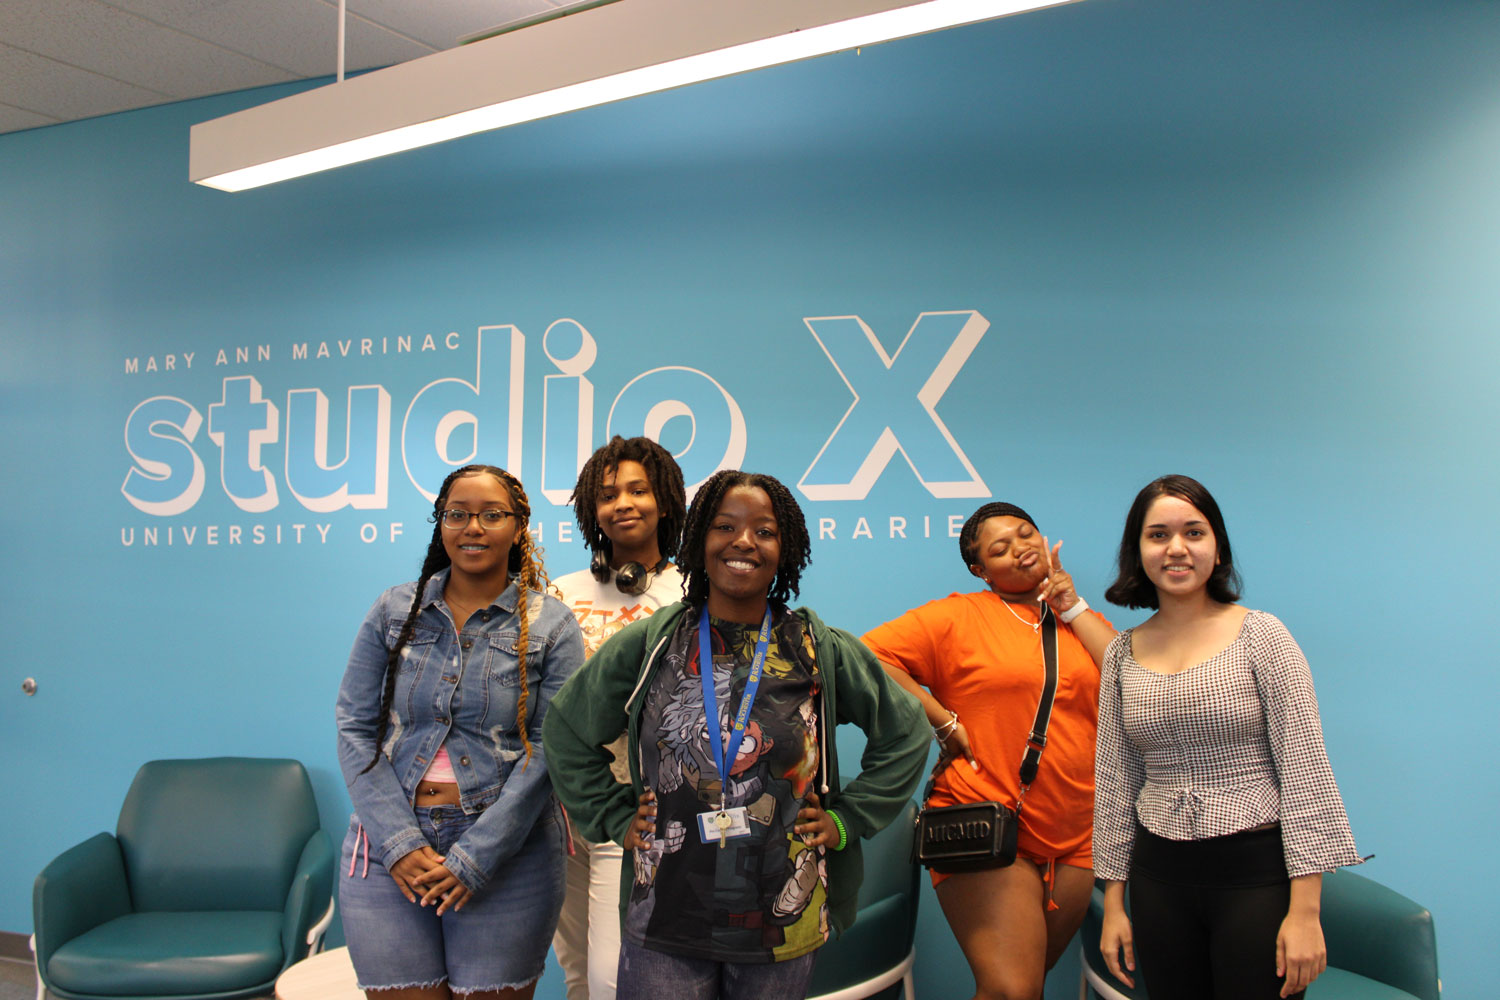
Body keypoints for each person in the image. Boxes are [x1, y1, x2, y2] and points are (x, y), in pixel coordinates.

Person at [542, 469, 928, 1000]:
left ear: (784, 549)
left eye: (765, 531)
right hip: (665, 917)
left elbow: (906, 733)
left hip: (782, 920)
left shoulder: (817, 646)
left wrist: (849, 818)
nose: (744, 541)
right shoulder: (654, 641)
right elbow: (565, 730)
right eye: (725, 526)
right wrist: (611, 815)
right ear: (700, 541)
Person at [1094, 475, 1360, 1000]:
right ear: (1138, 552)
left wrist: (1306, 913)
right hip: (1158, 881)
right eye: (1158, 535)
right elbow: (1115, 782)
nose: (1176, 548)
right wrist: (1114, 906)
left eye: (1194, 532)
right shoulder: (1121, 655)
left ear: (1217, 549)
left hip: (1254, 878)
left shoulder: (1263, 636)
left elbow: (1306, 772)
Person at [336, 464, 585, 1000]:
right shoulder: (394, 610)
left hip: (509, 857)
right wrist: (399, 844)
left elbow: (551, 749)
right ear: (440, 525)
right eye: (458, 514)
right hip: (389, 851)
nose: (473, 526)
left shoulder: (553, 624)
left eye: (492, 515)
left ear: (519, 527)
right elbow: (355, 727)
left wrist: (477, 855)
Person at [862, 501, 1114, 1000]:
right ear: (981, 569)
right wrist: (942, 719)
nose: (1020, 550)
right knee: (1012, 989)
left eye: (1026, 535)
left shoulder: (1078, 621)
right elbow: (867, 654)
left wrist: (1075, 607)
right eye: (1001, 548)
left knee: (1027, 986)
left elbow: (1131, 681)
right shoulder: (959, 616)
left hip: (1077, 832)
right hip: (984, 816)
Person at [550, 436, 688, 1000]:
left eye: (638, 489)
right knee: (578, 972)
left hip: (631, 808)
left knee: (615, 978)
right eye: (607, 495)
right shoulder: (559, 591)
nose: (622, 503)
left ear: (665, 501)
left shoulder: (690, 591)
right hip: (559, 811)